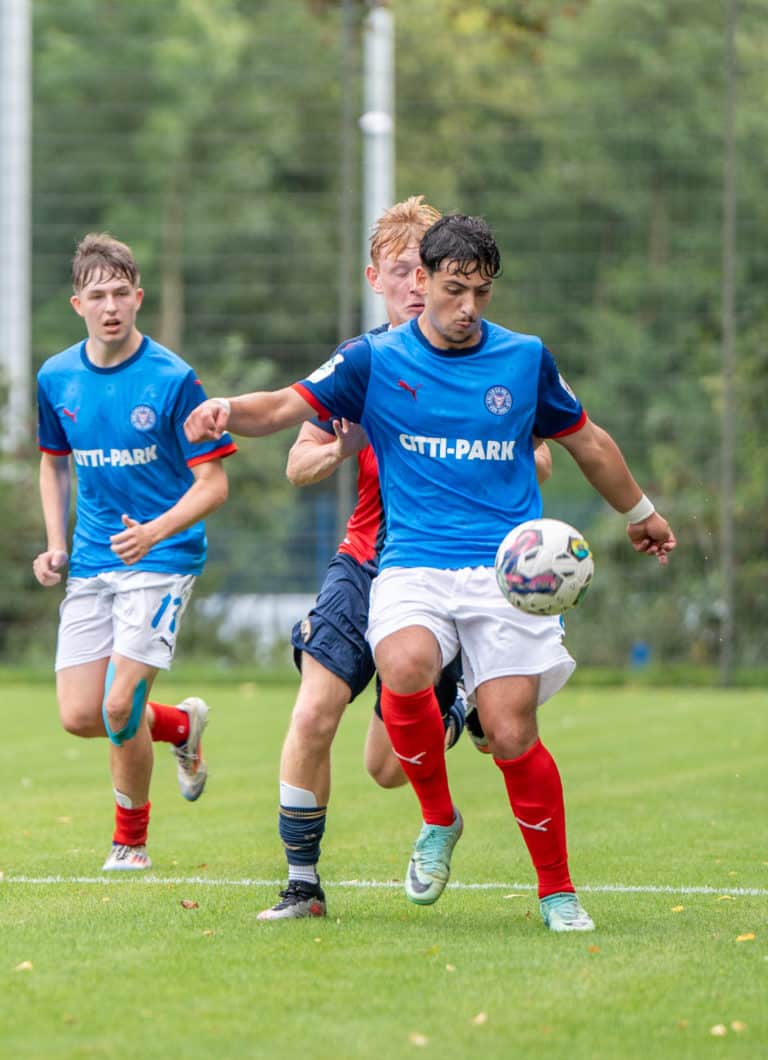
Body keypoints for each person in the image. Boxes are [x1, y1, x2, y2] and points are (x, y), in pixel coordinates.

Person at [184, 213, 675, 932]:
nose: (467, 306)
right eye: (453, 289)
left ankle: (558, 892)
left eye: (480, 291)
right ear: (422, 281)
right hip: (410, 565)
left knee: (510, 732)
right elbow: (286, 406)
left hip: (503, 575)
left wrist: (640, 511)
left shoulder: (525, 358)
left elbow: (587, 440)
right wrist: (227, 409)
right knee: (403, 660)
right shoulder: (372, 359)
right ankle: (438, 820)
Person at [259, 196, 552, 921]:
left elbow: (538, 457)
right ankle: (302, 885)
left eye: (430, 275)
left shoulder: (485, 359)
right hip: (366, 563)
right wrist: (343, 444)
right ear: (378, 278)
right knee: (314, 712)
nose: (418, 288)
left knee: (386, 769)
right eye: (402, 273)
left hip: (451, 572)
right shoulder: (359, 367)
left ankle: (454, 705)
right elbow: (298, 465)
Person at [33, 233, 236, 871]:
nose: (111, 305)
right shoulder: (56, 376)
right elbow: (52, 463)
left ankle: (130, 843)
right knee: (79, 715)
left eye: (122, 293)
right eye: (98, 295)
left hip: (163, 559)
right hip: (93, 562)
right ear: (77, 304)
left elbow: (215, 484)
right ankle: (180, 727)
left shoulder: (174, 379)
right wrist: (55, 544)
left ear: (139, 297)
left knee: (120, 706)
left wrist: (154, 531)